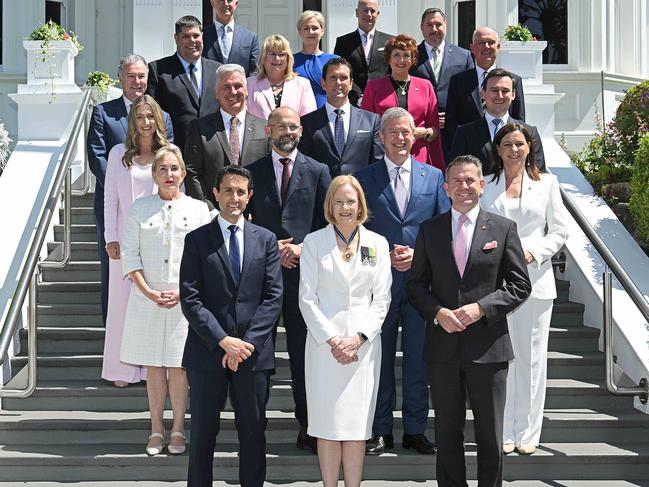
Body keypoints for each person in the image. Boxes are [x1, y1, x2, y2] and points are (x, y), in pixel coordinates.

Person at [406, 155, 531, 487]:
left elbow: (520, 285)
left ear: (481, 185)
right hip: (442, 349)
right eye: (457, 181)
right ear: (446, 188)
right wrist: (437, 313)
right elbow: (415, 284)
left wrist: (481, 308)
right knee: (447, 435)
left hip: (489, 349)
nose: (464, 187)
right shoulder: (429, 230)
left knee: (490, 437)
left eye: (470, 180)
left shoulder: (503, 229)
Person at [180, 165, 283, 487]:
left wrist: (246, 343)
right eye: (228, 191)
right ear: (215, 194)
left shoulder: (266, 240)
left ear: (249, 195)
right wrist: (224, 340)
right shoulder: (196, 240)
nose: (234, 198)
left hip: (253, 355)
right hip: (207, 352)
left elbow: (273, 297)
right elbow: (190, 298)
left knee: (253, 434)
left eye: (240, 192)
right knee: (202, 436)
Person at [355, 107, 450, 456]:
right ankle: (379, 430)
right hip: (376, 287)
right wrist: (379, 261)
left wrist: (419, 259)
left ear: (415, 137)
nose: (399, 138)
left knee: (417, 359)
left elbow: (443, 230)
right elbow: (356, 234)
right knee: (377, 361)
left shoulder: (434, 177)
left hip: (421, 287)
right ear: (381, 138)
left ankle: (414, 429)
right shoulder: (363, 179)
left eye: (405, 132)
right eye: (392, 132)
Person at [246, 106, 331, 453]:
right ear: (268, 130)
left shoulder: (319, 170)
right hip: (260, 279)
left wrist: (300, 249)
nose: (288, 131)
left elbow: (327, 224)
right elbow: (243, 222)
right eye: (280, 126)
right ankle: (254, 424)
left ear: (300, 131)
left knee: (302, 354)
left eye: (293, 126)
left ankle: (307, 424)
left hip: (303, 276)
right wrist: (268, 248)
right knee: (257, 353)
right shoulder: (251, 173)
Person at [481, 123, 569, 456]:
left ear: (529, 147)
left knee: (532, 360)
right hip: (497, 285)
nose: (513, 150)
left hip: (536, 281)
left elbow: (559, 231)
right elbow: (480, 229)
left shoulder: (547, 183)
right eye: (507, 144)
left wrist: (534, 252)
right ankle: (503, 429)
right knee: (501, 361)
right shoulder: (487, 186)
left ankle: (528, 432)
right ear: (498, 149)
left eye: (519, 144)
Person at [299, 175, 392, 487]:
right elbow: (307, 299)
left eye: (351, 201)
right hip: (324, 348)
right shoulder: (313, 243)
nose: (345, 207)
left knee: (356, 428)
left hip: (362, 351)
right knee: (327, 425)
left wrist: (359, 338)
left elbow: (382, 300)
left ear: (360, 205)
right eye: (338, 201)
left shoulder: (377, 244)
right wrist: (334, 339)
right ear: (330, 206)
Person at [120, 146, 210, 456]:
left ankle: (177, 430)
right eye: (162, 169)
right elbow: (130, 254)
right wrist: (148, 291)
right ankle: (156, 430)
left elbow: (205, 259)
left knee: (179, 366)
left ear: (183, 173)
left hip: (185, 301)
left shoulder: (200, 210)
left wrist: (184, 292)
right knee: (155, 368)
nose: (169, 175)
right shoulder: (139, 208)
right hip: (148, 299)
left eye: (174, 169)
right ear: (154, 175)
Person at [87, 54, 174, 327]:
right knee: (114, 276)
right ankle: (112, 333)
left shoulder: (163, 116)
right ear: (120, 78)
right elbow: (97, 155)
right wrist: (120, 181)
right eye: (131, 76)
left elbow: (167, 160)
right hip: (116, 210)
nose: (137, 81)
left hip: (155, 211)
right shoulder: (103, 112)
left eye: (141, 76)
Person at [102, 95, 169, 387]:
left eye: (150, 116)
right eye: (140, 117)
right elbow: (110, 200)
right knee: (122, 304)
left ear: (158, 120)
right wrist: (110, 237)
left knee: (156, 302)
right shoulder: (118, 153)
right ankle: (122, 370)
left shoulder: (169, 153)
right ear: (132, 121)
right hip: (124, 239)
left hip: (160, 240)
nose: (145, 123)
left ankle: (155, 369)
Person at [184, 64, 270, 211]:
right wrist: (209, 211)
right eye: (226, 87)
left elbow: (269, 176)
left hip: (254, 220)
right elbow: (192, 173)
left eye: (238, 86)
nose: (233, 92)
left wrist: (259, 213)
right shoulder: (200, 128)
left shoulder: (265, 128)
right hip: (212, 218)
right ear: (217, 92)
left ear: (247, 90)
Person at [361, 34, 445, 170]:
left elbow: (435, 128)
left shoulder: (426, 86)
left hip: (419, 157)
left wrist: (423, 132)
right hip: (384, 157)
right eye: (396, 55)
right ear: (389, 59)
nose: (401, 60)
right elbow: (366, 125)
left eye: (406, 55)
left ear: (413, 60)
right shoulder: (373, 87)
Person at [147, 15, 221, 155]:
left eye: (196, 35)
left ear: (202, 36)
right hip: (175, 153)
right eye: (186, 36)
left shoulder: (218, 70)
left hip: (214, 152)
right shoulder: (158, 70)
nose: (192, 41)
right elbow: (153, 114)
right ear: (176, 38)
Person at [299, 57, 383, 178]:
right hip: (323, 193)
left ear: (351, 83)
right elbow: (304, 164)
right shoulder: (307, 122)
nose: (338, 82)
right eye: (332, 77)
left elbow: (378, 163)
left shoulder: (372, 121)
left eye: (343, 78)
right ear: (323, 83)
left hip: (360, 192)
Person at [450, 68, 545, 174]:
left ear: (513, 94)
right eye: (494, 90)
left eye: (505, 91)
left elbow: (538, 174)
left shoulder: (530, 133)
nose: (499, 96)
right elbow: (457, 174)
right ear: (482, 93)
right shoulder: (464, 133)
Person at [445, 26, 526, 145]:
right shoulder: (458, 81)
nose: (486, 47)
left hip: (504, 151)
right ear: (472, 48)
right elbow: (451, 123)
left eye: (491, 43)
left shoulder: (513, 80)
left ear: (498, 47)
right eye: (481, 42)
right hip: (468, 153)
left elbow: (519, 120)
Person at [410, 8, 473, 155]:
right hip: (421, 133)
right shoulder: (410, 56)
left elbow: (469, 95)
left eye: (438, 24)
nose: (434, 29)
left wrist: (451, 116)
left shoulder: (464, 56)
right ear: (421, 27)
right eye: (429, 25)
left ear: (445, 26)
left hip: (455, 133)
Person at [334, 0, 393, 107]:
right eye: (365, 10)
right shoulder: (343, 42)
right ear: (357, 12)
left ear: (378, 14)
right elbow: (340, 71)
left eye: (373, 11)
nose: (369, 14)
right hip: (353, 101)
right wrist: (358, 96)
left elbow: (392, 71)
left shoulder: (390, 41)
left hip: (382, 100)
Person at [246, 34, 317, 120]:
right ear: (263, 57)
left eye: (281, 54)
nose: (277, 58)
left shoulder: (302, 84)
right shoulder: (249, 84)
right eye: (272, 54)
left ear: (288, 58)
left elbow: (310, 119)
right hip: (258, 133)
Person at [293, 11, 339, 108]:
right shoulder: (290, 61)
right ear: (299, 32)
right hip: (299, 115)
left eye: (315, 28)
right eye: (306, 28)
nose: (311, 32)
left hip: (328, 114)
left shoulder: (335, 60)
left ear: (322, 31)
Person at [202, 0, 259, 76]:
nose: (225, 4)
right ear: (212, 3)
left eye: (229, 0)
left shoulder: (250, 38)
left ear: (236, 3)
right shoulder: (202, 36)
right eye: (221, 0)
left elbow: (254, 73)